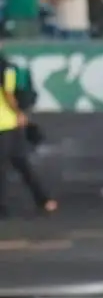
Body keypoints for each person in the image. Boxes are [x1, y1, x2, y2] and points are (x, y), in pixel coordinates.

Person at [0, 45, 56, 218]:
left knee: (15, 164)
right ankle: (43, 200)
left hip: (5, 124)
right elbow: (9, 94)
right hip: (8, 122)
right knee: (21, 164)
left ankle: (41, 199)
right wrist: (20, 114)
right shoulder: (7, 68)